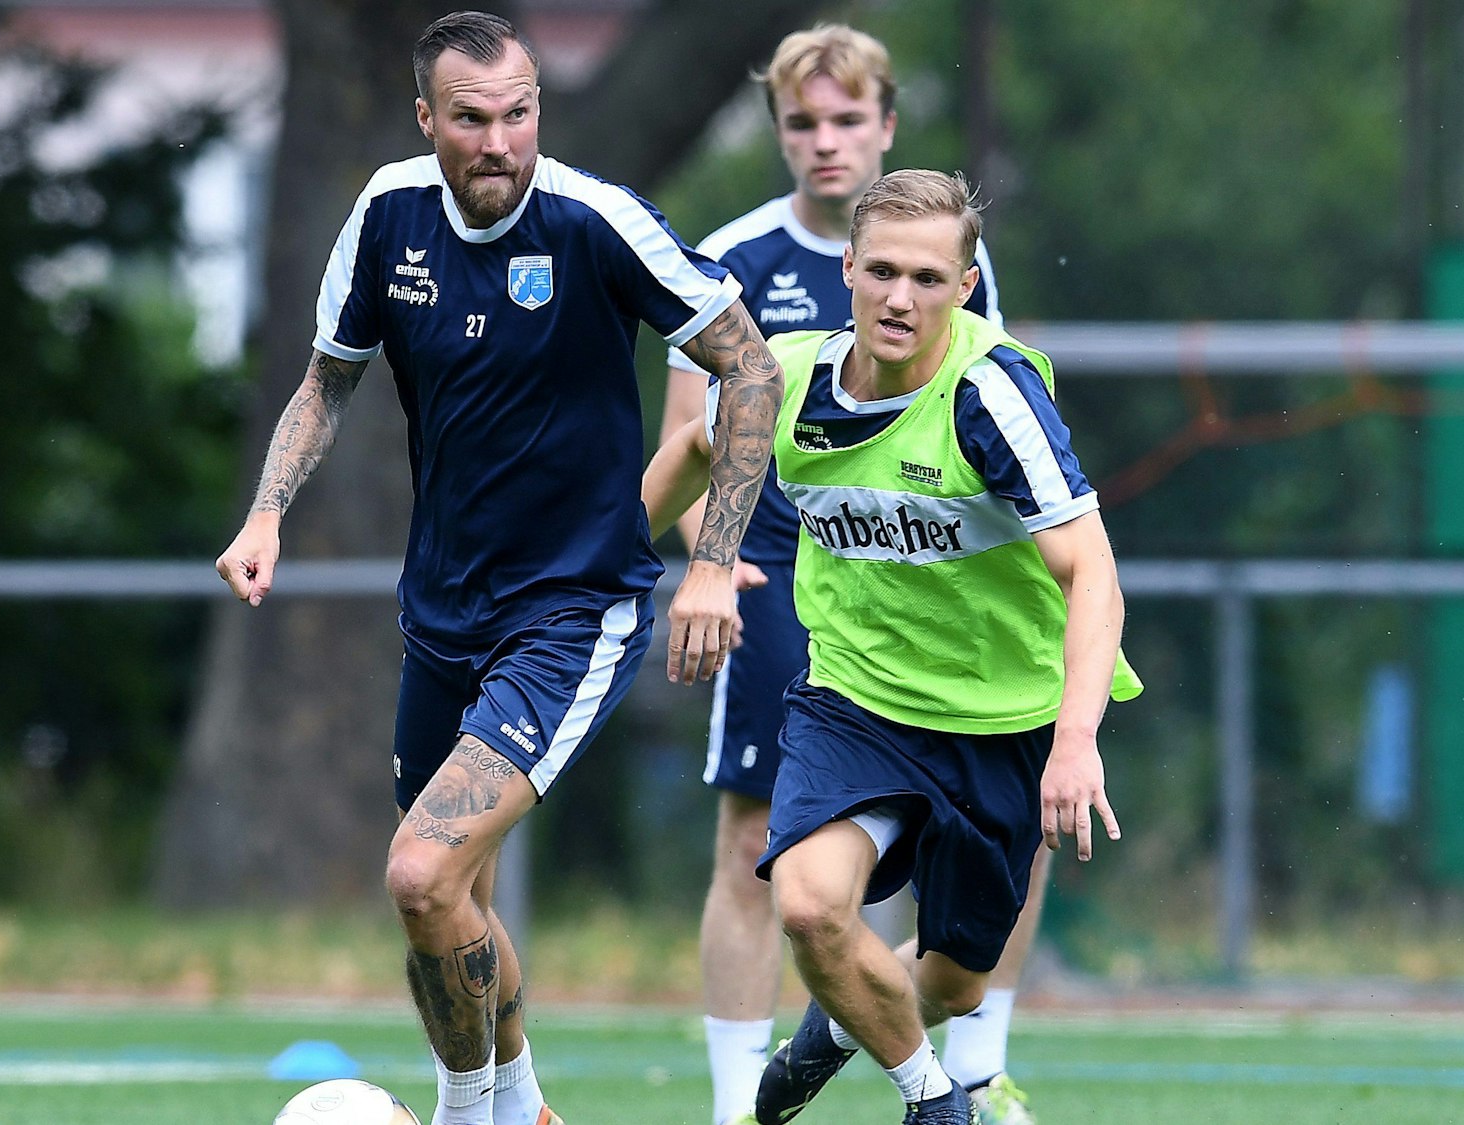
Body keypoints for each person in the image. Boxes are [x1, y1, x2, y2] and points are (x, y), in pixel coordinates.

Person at [214, 12, 781, 1125]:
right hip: (442, 614)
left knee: (420, 874)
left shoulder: (596, 222)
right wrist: (266, 514)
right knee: (447, 898)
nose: (498, 142)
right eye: (470, 119)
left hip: (572, 609)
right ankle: (520, 1109)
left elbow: (749, 370)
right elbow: (329, 379)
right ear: (426, 118)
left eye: (517, 114)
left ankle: (469, 1114)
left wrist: (709, 565)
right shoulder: (387, 215)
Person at [645, 169, 1142, 1125]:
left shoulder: (990, 398)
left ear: (963, 286)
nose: (899, 298)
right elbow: (693, 450)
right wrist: (609, 568)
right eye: (881, 271)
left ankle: (832, 1034)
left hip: (1003, 716)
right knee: (808, 903)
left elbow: (1093, 573)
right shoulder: (784, 379)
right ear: (848, 270)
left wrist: (1076, 740)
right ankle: (934, 1101)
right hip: (857, 702)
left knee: (950, 985)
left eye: (925, 277)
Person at [655, 26, 1037, 1125]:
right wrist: (708, 567)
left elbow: (983, 425)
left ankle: (968, 1061)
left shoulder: (954, 262)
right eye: (800, 123)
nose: (823, 144)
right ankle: (742, 1104)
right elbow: (688, 439)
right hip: (775, 569)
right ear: (777, 133)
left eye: (844, 120)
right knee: (756, 844)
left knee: (981, 827)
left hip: (917, 577)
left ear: (884, 126)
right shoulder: (728, 258)